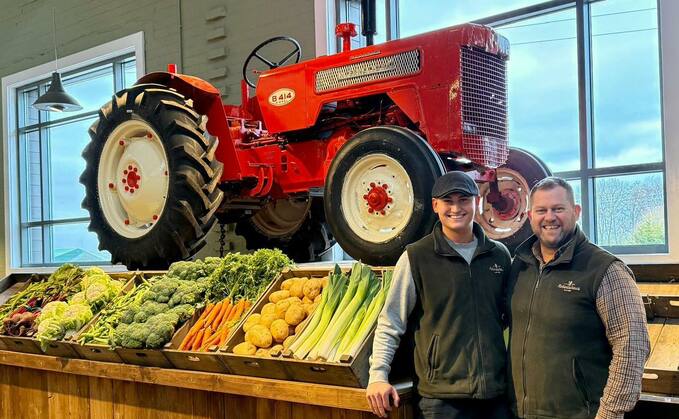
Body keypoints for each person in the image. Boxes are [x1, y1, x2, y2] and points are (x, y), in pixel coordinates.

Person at [366, 171, 512, 419]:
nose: (456, 208)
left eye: (464, 200)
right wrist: (378, 375)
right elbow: (391, 321)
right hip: (440, 400)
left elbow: (510, 316)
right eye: (448, 201)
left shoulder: (499, 255)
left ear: (477, 202)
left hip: (494, 395)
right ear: (435, 205)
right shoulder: (416, 257)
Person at [507, 176, 650, 419]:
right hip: (520, 412)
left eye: (558, 209)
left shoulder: (606, 270)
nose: (549, 217)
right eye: (541, 210)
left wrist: (609, 414)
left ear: (576, 211)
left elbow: (632, 346)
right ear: (530, 216)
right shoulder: (519, 267)